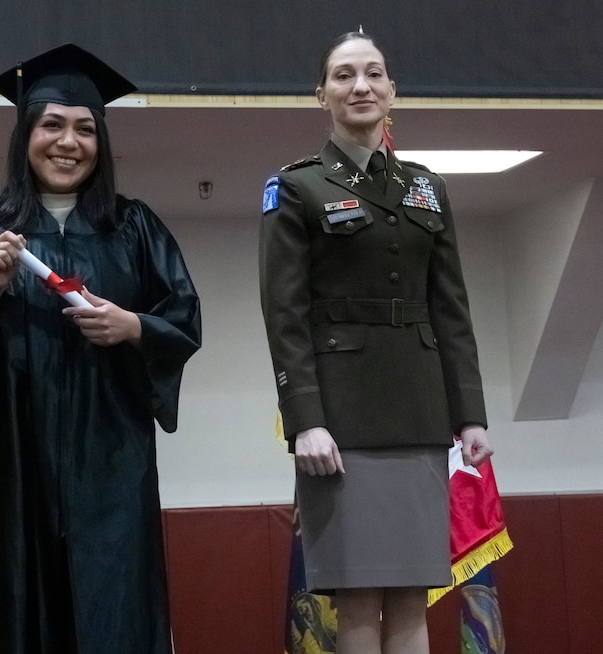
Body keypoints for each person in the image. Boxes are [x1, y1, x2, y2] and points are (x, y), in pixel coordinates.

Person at [0, 43, 201, 654]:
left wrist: (133, 328)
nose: (67, 142)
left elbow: (183, 319)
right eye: (51, 125)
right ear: (25, 135)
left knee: (115, 608)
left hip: (111, 464)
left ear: (100, 142)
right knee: (19, 609)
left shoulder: (135, 228)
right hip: (13, 463)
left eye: (85, 128)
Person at [259, 32, 494, 654]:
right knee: (359, 598)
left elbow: (451, 309)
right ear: (321, 95)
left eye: (373, 74)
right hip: (342, 423)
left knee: (413, 595)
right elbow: (285, 315)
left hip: (420, 415)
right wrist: (304, 420)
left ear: (392, 91)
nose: (360, 86)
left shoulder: (426, 187)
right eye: (343, 76)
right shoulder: (296, 188)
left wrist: (469, 413)